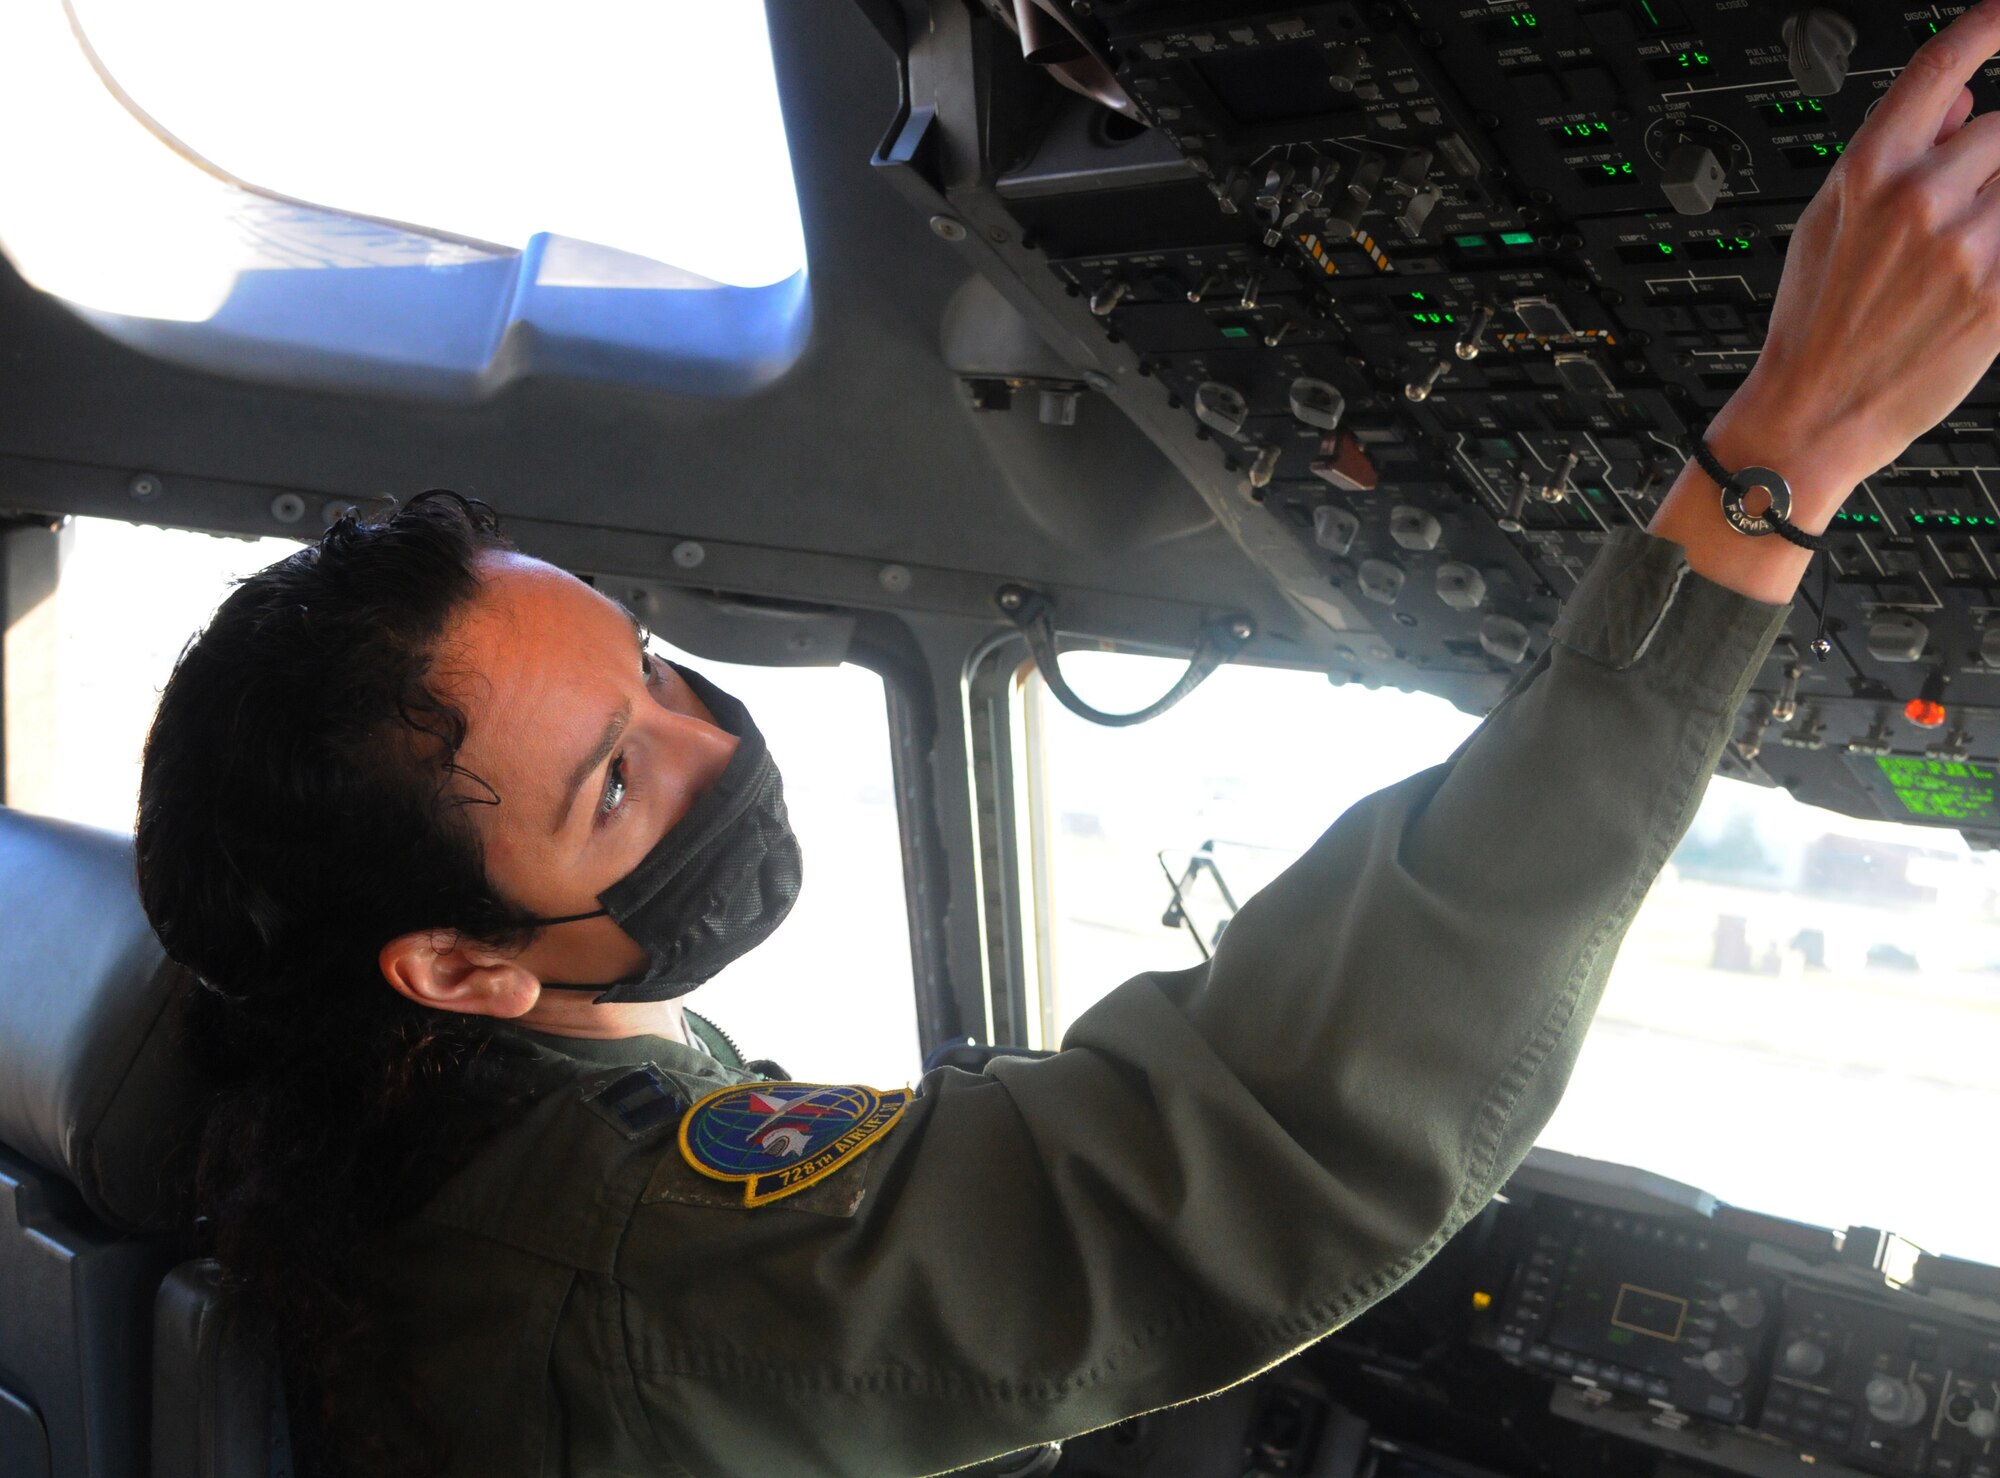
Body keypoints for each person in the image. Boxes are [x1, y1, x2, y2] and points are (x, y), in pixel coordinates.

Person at [132, 7, 2000, 1475]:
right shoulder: (614, 1259)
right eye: (613, 783)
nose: (705, 739)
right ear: (452, 961)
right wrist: (1782, 459)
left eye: (647, 660)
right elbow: (1242, 1151)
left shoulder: (419, 1132)